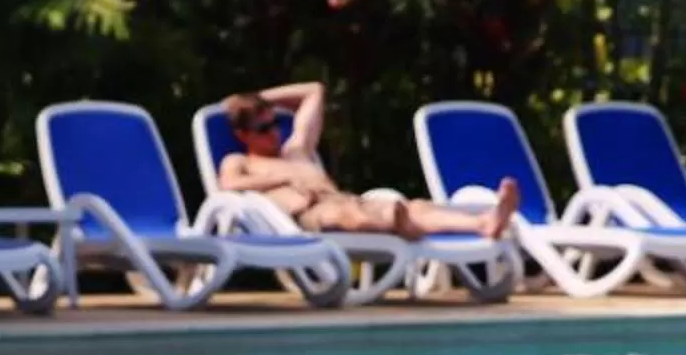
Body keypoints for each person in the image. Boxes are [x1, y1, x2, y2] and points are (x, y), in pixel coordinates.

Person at [218, 80, 519, 239]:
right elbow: (229, 185)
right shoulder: (240, 161)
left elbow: (314, 92)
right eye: (263, 128)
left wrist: (256, 98)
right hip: (311, 216)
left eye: (275, 124)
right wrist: (283, 179)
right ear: (243, 135)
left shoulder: (296, 150)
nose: (273, 133)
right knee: (359, 214)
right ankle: (402, 223)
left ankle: (483, 223)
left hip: (343, 200)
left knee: (413, 207)